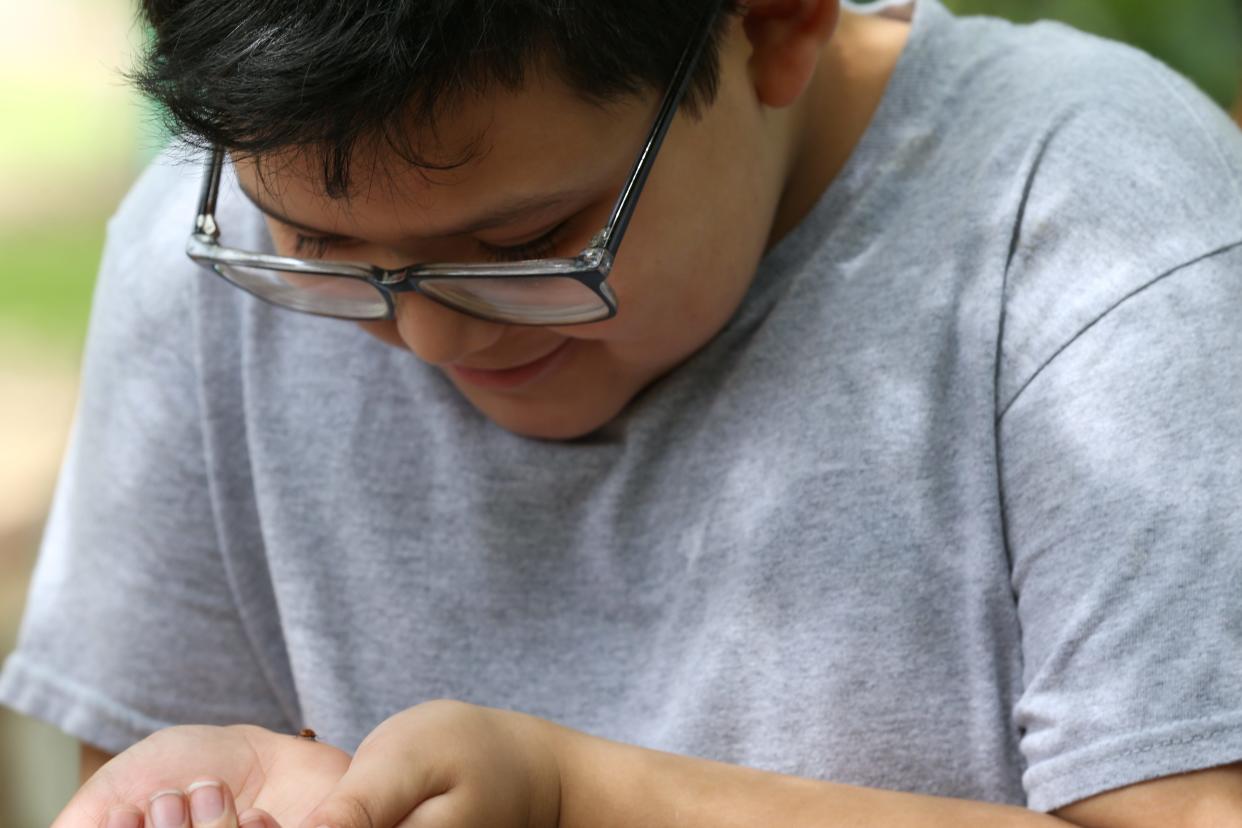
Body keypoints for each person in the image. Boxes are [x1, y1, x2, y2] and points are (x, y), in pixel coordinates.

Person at [3, 0, 1241, 827]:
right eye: (321, 247)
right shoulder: (204, 261)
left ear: (774, 25)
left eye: (523, 245)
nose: (427, 335)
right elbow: (148, 769)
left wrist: (578, 799)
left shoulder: (1099, 234)